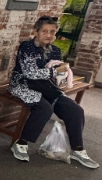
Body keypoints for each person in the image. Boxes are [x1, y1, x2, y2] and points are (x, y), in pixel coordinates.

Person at [9, 15, 99, 168]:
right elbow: (30, 73)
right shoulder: (27, 47)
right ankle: (21, 143)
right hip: (23, 84)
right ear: (36, 31)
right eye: (45, 31)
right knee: (45, 108)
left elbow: (58, 75)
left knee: (75, 110)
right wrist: (56, 71)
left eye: (52, 32)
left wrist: (63, 73)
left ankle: (78, 149)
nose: (49, 35)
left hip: (46, 86)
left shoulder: (55, 50)